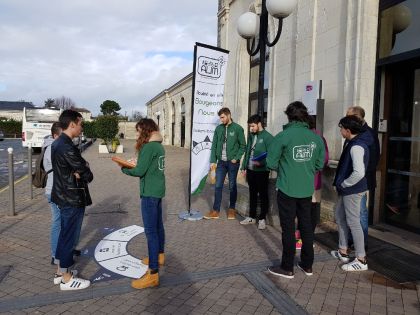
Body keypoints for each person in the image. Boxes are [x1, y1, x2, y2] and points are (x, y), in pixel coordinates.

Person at [266, 101, 325, 279]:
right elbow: (319, 164)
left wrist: (286, 168)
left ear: (289, 116)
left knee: (288, 228)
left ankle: (287, 267)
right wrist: (305, 171)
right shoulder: (316, 137)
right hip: (307, 189)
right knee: (306, 226)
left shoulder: (283, 136)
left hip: (287, 188)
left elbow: (270, 162)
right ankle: (307, 265)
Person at [121, 118, 165, 289]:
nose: (137, 134)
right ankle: (159, 256)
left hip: (149, 193)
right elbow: (148, 166)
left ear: (145, 130)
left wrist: (124, 167)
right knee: (158, 226)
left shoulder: (148, 147)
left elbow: (140, 171)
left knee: (151, 232)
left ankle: (153, 273)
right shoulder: (158, 145)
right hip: (158, 190)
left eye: (139, 130)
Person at [51, 109, 93, 290]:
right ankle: (67, 278)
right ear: (73, 124)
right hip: (71, 196)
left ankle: (61, 272)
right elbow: (85, 171)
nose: (82, 127)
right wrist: (85, 169)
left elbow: (77, 168)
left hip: (63, 194)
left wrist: (80, 169)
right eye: (81, 123)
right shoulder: (66, 146)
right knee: (68, 236)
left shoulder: (59, 142)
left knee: (64, 234)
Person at [331, 115, 371, 272]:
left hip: (353, 190)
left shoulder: (356, 146)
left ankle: (361, 259)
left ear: (348, 130)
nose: (340, 130)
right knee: (340, 216)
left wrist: (345, 184)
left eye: (341, 128)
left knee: (354, 222)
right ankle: (343, 250)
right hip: (347, 190)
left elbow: (359, 172)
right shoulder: (352, 143)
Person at [346, 106, 380, 247]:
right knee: (353, 213)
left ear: (357, 117)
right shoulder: (355, 131)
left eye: (348, 116)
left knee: (360, 212)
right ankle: (353, 240)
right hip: (353, 179)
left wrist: (358, 178)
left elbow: (373, 159)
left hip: (361, 180)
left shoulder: (368, 134)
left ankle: (362, 244)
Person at [204, 107, 246, 220]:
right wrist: (213, 161)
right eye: (220, 118)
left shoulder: (238, 128)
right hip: (221, 163)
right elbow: (214, 146)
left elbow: (243, 146)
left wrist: (236, 158)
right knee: (218, 186)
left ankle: (232, 209)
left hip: (233, 163)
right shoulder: (218, 129)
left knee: (232, 186)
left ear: (228, 115)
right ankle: (215, 211)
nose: (221, 120)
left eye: (222, 117)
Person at [295, 117, 329, 249]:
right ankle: (305, 237)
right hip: (314, 181)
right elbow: (324, 160)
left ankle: (302, 238)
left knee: (304, 210)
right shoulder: (319, 138)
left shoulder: (303, 138)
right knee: (310, 209)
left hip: (302, 181)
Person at [240, 114, 274, 230]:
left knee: (263, 194)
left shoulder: (268, 137)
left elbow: (272, 155)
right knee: (252, 193)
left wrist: (263, 163)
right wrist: (244, 167)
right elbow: (248, 151)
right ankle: (251, 217)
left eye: (253, 126)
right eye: (250, 126)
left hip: (262, 171)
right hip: (250, 170)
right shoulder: (251, 136)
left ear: (259, 124)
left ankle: (262, 219)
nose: (251, 128)